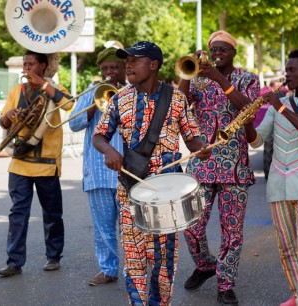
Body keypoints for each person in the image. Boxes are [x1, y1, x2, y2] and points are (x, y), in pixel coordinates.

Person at [92, 41, 211, 305]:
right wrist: (109, 151)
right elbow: (99, 136)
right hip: (130, 190)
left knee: (163, 264)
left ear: (153, 65)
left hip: (166, 193)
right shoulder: (119, 98)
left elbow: (192, 138)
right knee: (134, 262)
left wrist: (202, 148)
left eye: (135, 60)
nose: (129, 65)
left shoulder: (177, 98)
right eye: (128, 61)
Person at [178, 30, 260, 306]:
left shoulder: (248, 79)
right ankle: (205, 265)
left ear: (234, 52)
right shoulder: (198, 80)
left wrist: (219, 79)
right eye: (214, 49)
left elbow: (248, 109)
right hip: (201, 165)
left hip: (235, 168)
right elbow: (178, 106)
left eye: (224, 49)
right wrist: (187, 73)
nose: (217, 54)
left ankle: (225, 283)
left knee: (232, 232)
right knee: (190, 227)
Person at [245, 49, 298, 306]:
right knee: (287, 248)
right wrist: (246, 123)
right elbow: (258, 139)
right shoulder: (278, 106)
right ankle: (297, 293)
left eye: (292, 70)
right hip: (278, 185)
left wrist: (279, 106)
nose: (286, 74)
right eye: (286, 70)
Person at [0, 50, 73, 276]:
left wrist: (42, 84)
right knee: (17, 213)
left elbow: (68, 105)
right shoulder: (16, 91)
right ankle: (14, 262)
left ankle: (53, 256)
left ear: (43, 65)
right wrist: (9, 116)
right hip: (19, 162)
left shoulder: (55, 89)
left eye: (31, 64)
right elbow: (2, 121)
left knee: (51, 213)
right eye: (25, 64)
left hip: (47, 163)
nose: (26, 68)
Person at [68, 47, 125, 286]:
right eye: (105, 69)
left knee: (132, 227)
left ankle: (135, 270)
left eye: (114, 68)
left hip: (127, 171)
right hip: (98, 171)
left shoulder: (133, 92)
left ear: (124, 69)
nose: (109, 72)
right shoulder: (91, 92)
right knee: (103, 228)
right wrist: (95, 103)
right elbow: (74, 124)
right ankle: (108, 269)